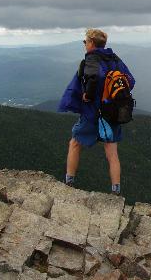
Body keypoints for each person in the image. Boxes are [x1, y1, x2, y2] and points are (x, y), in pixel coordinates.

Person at [58, 28, 135, 195]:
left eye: (85, 42)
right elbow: (130, 80)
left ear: (92, 43)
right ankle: (116, 191)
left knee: (75, 143)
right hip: (113, 112)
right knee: (112, 152)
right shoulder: (114, 59)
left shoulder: (92, 59)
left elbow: (93, 77)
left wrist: (88, 95)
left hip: (93, 113)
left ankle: (68, 183)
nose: (85, 45)